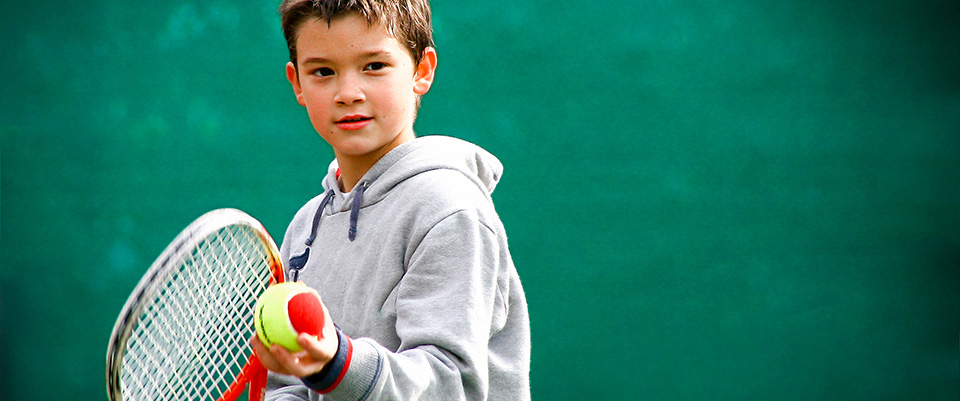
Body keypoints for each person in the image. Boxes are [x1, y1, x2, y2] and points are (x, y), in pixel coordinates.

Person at [250, 1, 531, 400]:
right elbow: (293, 384)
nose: (348, 93)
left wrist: (338, 364)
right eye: (323, 72)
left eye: (374, 66)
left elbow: (449, 384)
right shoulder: (305, 227)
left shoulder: (450, 210)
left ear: (422, 70)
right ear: (297, 83)